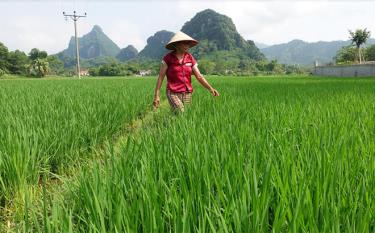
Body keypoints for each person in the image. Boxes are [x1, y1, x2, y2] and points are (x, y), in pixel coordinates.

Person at [153, 31, 219, 112]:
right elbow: (160, 77)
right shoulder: (168, 58)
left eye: (188, 43)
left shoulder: (190, 58)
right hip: (173, 92)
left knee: (185, 115)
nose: (187, 45)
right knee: (181, 111)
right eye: (184, 43)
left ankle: (172, 123)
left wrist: (210, 88)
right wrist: (156, 95)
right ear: (177, 45)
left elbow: (199, 76)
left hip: (187, 92)